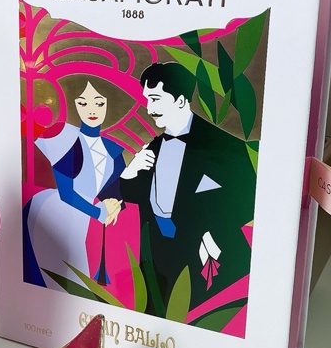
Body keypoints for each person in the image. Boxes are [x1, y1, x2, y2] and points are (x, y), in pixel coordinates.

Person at [118, 62, 256, 314]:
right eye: (147, 100)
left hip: (204, 254)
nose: (149, 108)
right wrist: (129, 172)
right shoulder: (152, 148)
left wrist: (209, 231)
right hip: (156, 255)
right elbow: (133, 197)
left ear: (181, 100)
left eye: (156, 99)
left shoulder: (224, 146)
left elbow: (248, 197)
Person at [23, 76, 125, 289]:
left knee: (77, 275)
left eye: (99, 103)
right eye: (83, 103)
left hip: (85, 218)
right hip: (55, 211)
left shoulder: (113, 149)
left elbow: (117, 187)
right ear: (74, 104)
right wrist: (99, 212)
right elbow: (66, 193)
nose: (91, 110)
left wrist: (115, 204)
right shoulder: (66, 140)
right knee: (61, 273)